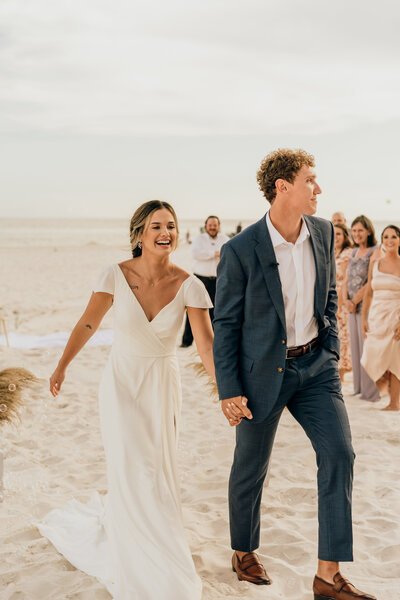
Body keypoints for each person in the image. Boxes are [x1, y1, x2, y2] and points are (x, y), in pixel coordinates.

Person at [213, 149, 376, 600]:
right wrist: (229, 389)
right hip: (260, 373)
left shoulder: (323, 232)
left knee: (340, 454)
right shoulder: (240, 250)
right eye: (310, 180)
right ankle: (243, 550)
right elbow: (225, 324)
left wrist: (332, 353)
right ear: (283, 187)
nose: (318, 188)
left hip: (316, 368)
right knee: (251, 466)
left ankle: (328, 575)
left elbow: (328, 296)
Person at [39, 201, 214, 600]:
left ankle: (159, 538)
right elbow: (88, 322)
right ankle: (132, 541)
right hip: (121, 383)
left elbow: (206, 347)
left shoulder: (191, 285)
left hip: (162, 385)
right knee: (129, 462)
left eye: (171, 225)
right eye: (156, 226)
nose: (165, 232)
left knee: (156, 467)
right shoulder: (114, 275)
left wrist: (226, 393)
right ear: (139, 234)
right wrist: (62, 366)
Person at [361, 225, 400, 411]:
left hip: (396, 316)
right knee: (370, 355)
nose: (389, 240)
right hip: (376, 315)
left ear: (399, 240)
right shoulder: (375, 264)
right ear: (382, 240)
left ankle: (394, 403)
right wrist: (364, 319)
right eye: (386, 237)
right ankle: (384, 387)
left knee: (395, 359)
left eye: (393, 236)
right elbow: (368, 292)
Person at [345, 215, 380, 402]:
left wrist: (356, 300)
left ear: (368, 231)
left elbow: (372, 279)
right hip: (351, 308)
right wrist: (346, 301)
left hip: (367, 306)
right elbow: (346, 280)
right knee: (355, 348)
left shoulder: (375, 250)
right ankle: (358, 388)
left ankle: (371, 393)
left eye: (360, 230)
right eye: (354, 230)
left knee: (368, 348)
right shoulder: (353, 252)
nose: (357, 234)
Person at [180, 215, 229, 347]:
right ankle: (186, 342)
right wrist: (214, 253)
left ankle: (213, 342)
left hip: (218, 280)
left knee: (216, 311)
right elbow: (196, 254)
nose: (212, 227)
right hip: (200, 279)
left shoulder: (225, 239)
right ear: (206, 226)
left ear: (219, 226)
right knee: (194, 309)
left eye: (215, 225)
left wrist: (219, 254)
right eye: (210, 225)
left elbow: (230, 256)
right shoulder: (199, 239)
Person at [334, 224, 353, 381]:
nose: (336, 237)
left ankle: (341, 377)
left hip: (341, 300)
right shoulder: (332, 252)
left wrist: (340, 303)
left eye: (339, 234)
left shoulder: (348, 253)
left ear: (345, 236)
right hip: (331, 297)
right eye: (334, 234)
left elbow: (346, 279)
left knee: (343, 340)